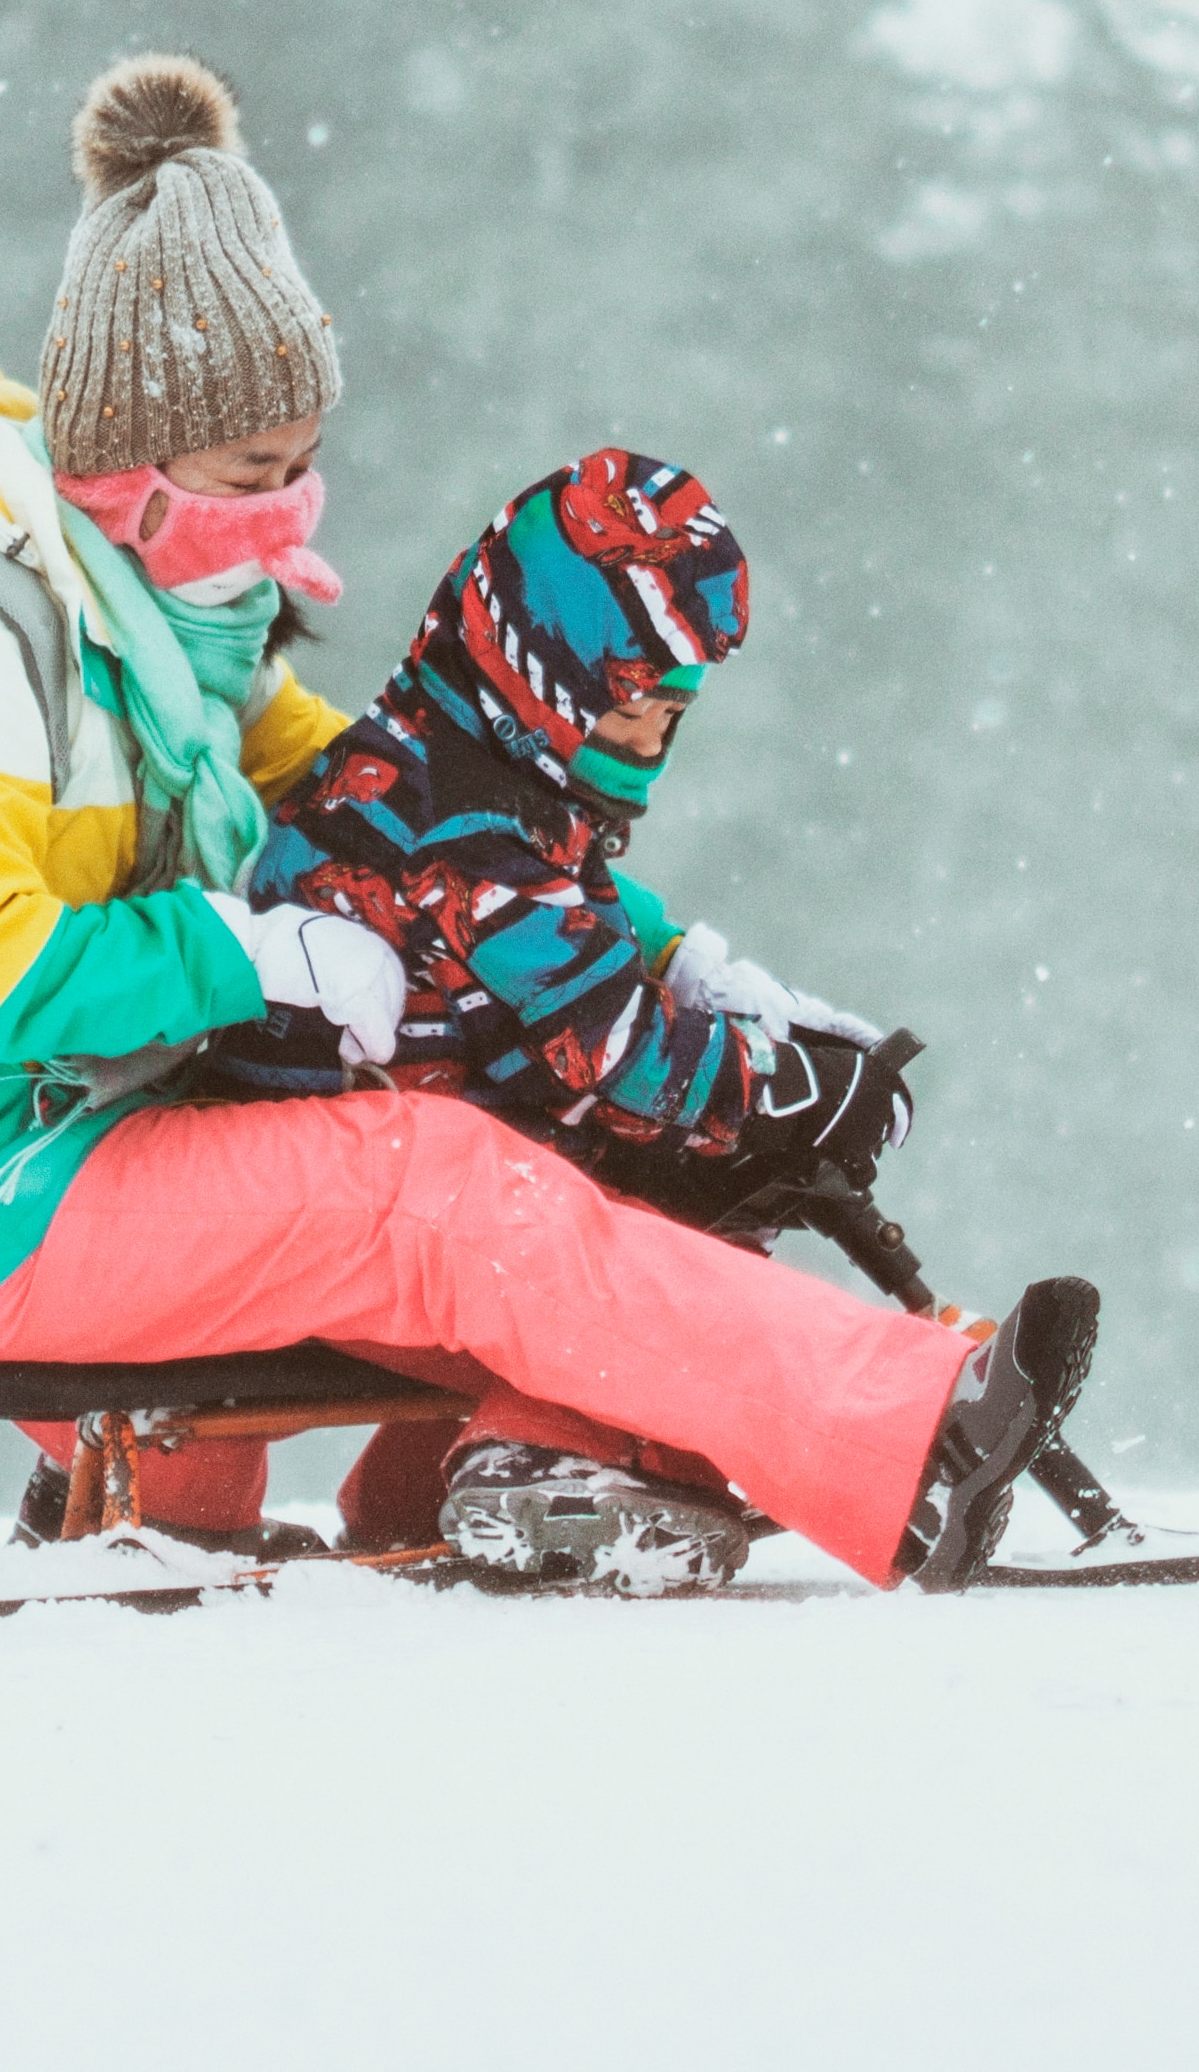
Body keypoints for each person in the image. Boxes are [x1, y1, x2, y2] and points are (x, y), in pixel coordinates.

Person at [0, 53, 1094, 1594]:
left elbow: (409, 819)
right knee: (426, 1188)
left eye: (305, 467)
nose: (290, 510)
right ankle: (906, 1441)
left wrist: (671, 962)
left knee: (537, 1144)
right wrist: (251, 955)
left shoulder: (170, 640)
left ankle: (486, 1479)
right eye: (254, 471)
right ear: (128, 465)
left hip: (100, 1131)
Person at [208, 450, 934, 1579]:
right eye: (626, 705)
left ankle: (421, 1486)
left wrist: (726, 1007)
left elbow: (579, 965)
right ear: (540, 674)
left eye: (670, 712)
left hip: (378, 1170)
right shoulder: (473, 829)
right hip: (389, 1199)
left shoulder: (448, 756)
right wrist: (795, 1090)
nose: (647, 743)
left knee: (641, 1172)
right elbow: (618, 1055)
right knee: (664, 1225)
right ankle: (546, 1465)